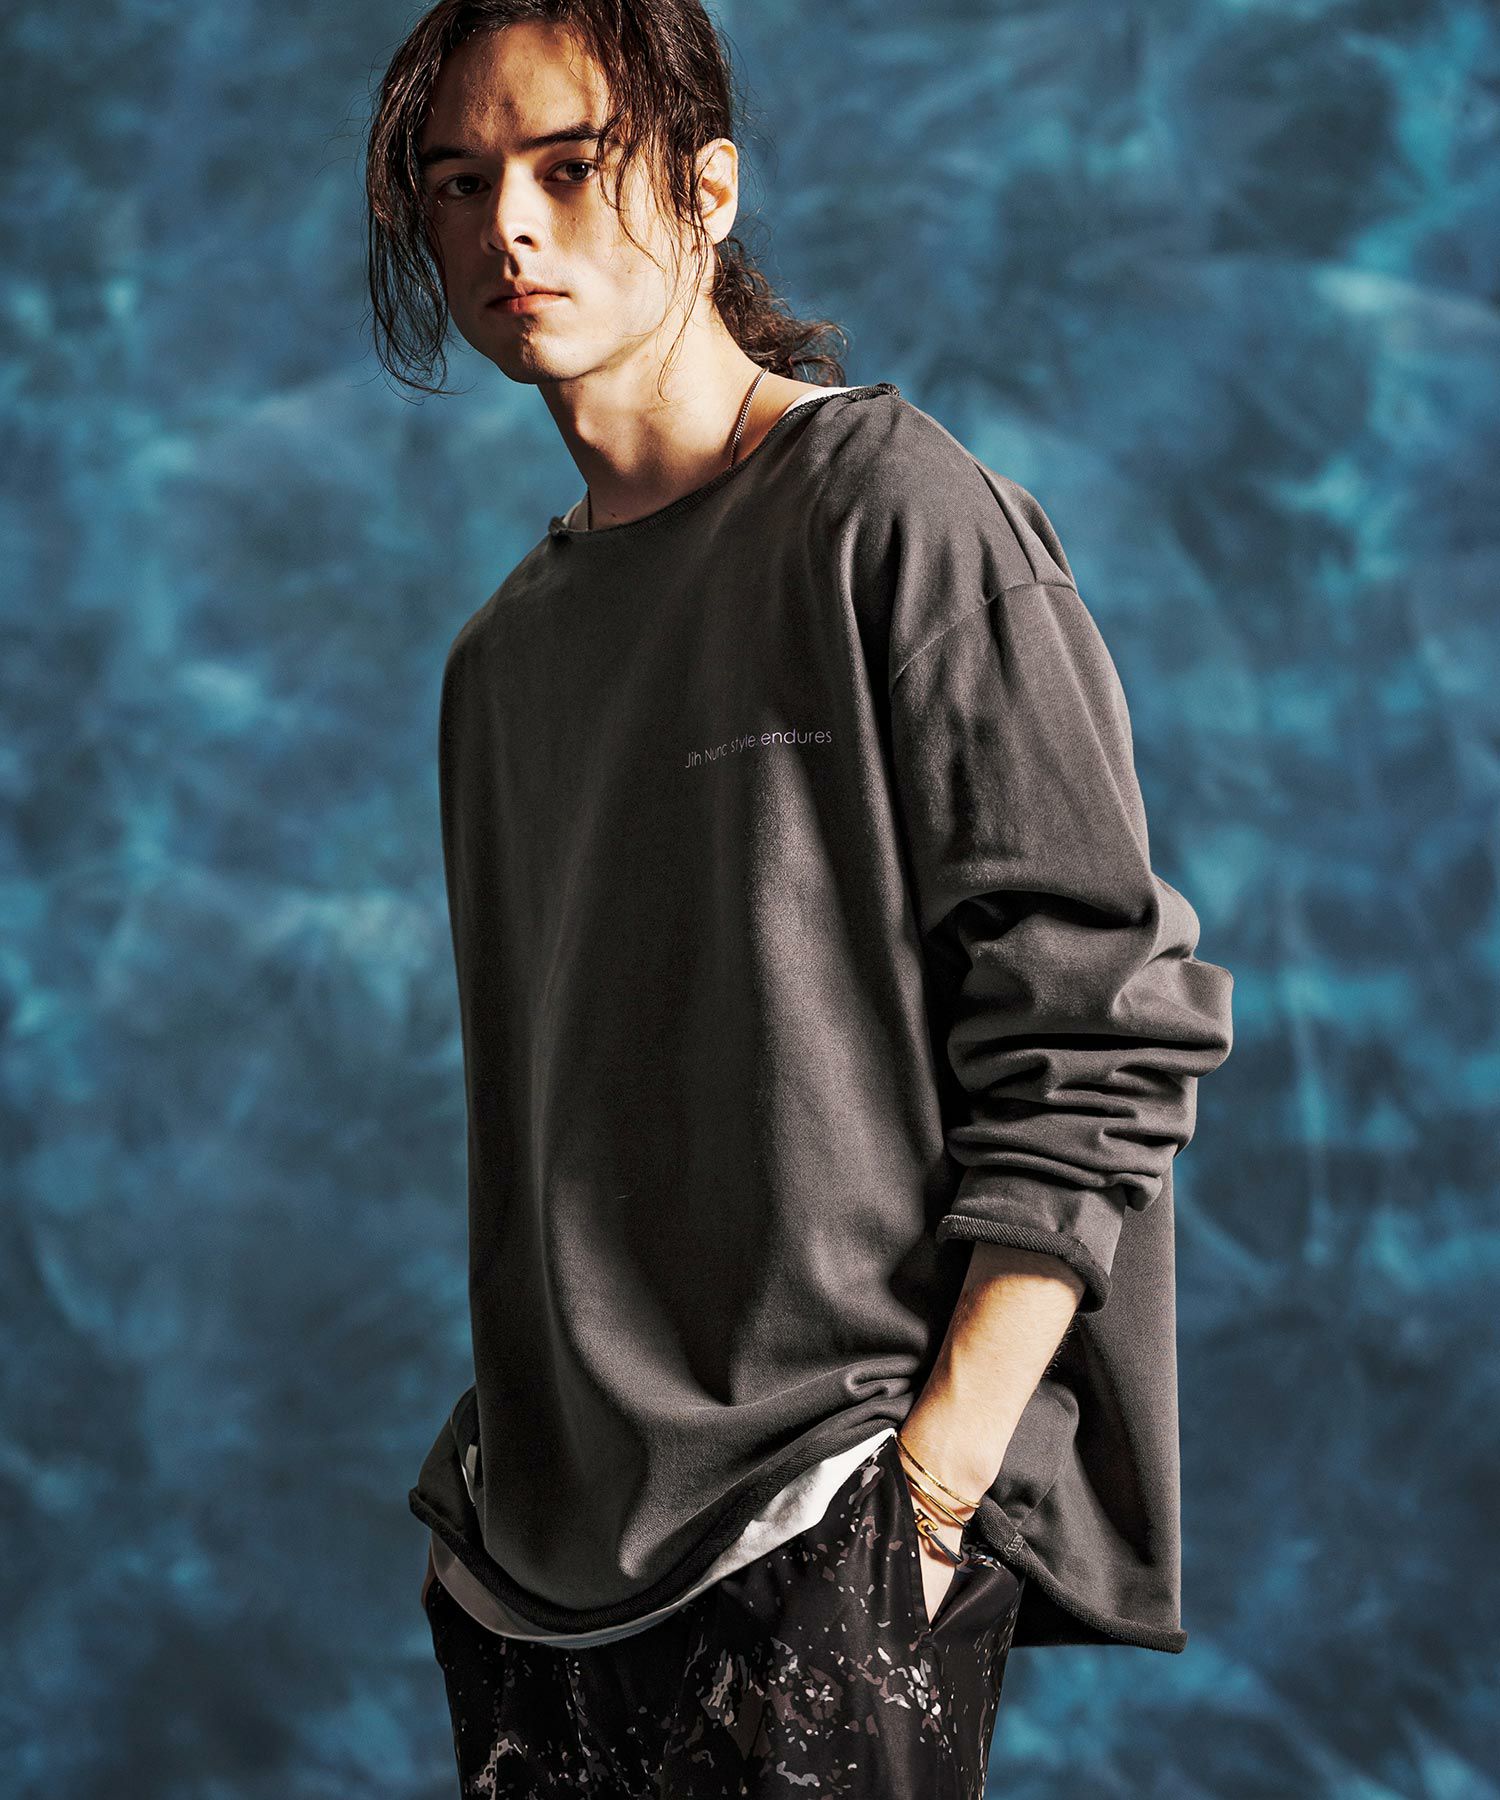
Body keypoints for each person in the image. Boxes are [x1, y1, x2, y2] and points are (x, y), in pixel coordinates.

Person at [364, 3, 1236, 1793]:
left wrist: (933, 1487)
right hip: (537, 1570)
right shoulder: (498, 664)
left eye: (568, 164)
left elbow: (1104, 1028)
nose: (508, 223)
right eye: (460, 182)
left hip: (829, 1521)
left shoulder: (890, 516)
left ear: (708, 190)